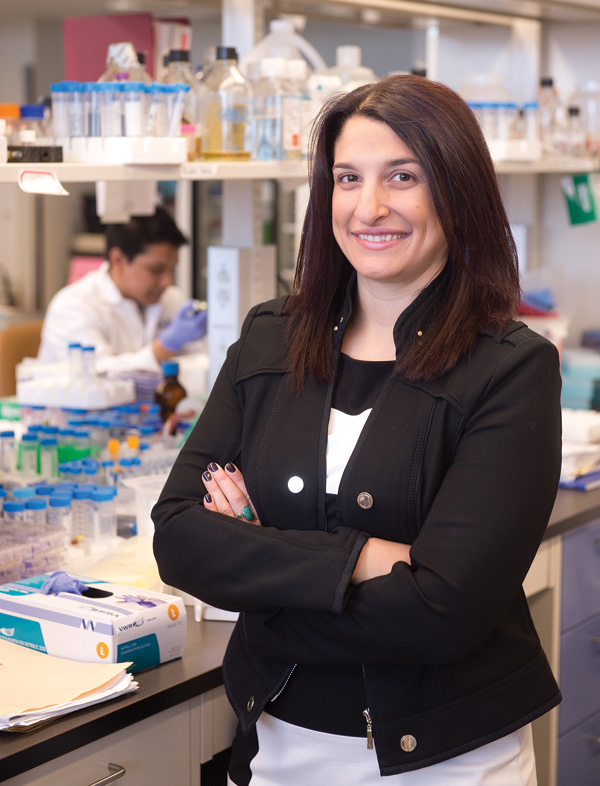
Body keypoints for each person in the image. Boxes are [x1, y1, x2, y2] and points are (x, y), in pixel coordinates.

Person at [152, 75, 562, 785]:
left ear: (455, 190)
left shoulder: (511, 368)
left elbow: (445, 613)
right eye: (347, 178)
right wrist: (370, 557)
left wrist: (258, 584)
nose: (369, 207)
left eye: (402, 176)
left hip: (448, 762)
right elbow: (179, 537)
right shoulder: (269, 339)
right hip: (275, 746)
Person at [37, 205, 207, 373]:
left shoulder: (171, 299)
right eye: (156, 270)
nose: (167, 282)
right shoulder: (73, 306)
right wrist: (167, 345)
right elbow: (97, 376)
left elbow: (202, 361)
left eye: (171, 269)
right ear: (118, 260)